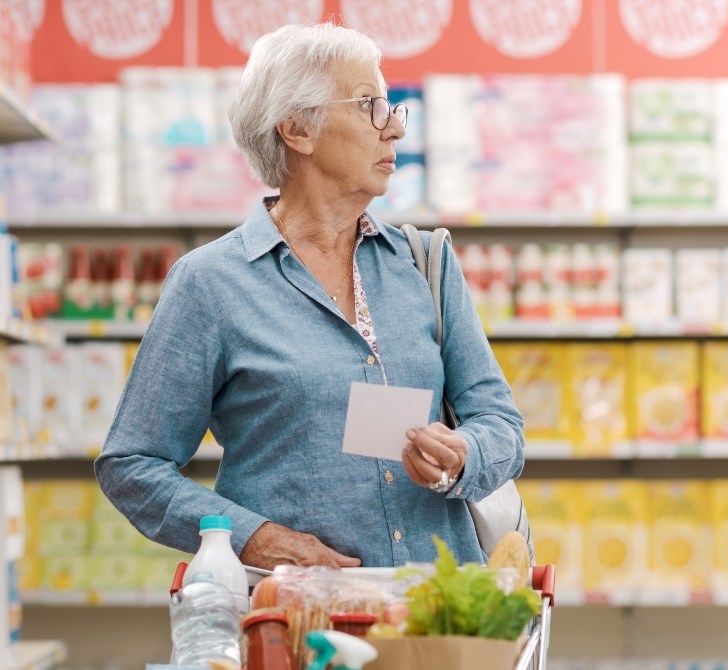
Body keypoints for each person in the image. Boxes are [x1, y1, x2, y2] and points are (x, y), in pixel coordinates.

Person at [95, 22, 524, 569]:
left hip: (433, 610)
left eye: (391, 106)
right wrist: (252, 538)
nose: (393, 126)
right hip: (297, 623)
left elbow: (501, 423)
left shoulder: (425, 264)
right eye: (370, 104)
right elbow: (132, 463)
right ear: (298, 129)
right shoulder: (211, 283)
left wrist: (466, 456)